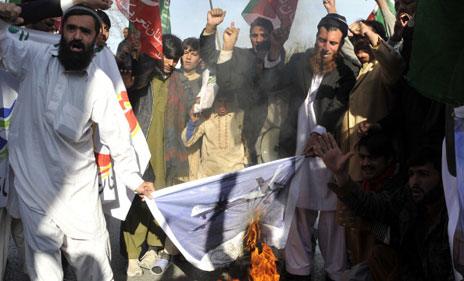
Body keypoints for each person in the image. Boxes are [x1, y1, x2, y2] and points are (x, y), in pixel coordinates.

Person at [0, 5, 153, 281]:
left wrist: (133, 179)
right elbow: (3, 44)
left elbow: (117, 137)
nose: (77, 36)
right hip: (35, 192)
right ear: (62, 32)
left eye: (85, 31)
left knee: (95, 269)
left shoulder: (100, 83)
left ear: (95, 40)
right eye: (71, 29)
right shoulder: (35, 58)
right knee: (44, 273)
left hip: (78, 194)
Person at [265, 12, 358, 280]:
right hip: (297, 149)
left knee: (331, 217)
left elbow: (339, 104)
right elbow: (275, 80)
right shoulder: (299, 61)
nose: (325, 48)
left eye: (332, 43)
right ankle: (297, 270)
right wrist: (273, 50)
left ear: (340, 45)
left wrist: (319, 132)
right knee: (298, 211)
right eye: (322, 40)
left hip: (328, 154)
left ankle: (335, 271)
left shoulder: (347, 71)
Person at [315, 134, 455, 281]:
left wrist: (370, 226)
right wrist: (341, 175)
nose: (415, 182)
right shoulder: (408, 195)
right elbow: (374, 206)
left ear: (442, 178)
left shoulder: (454, 214)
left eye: (423, 174)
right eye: (412, 174)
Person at [122, 34, 194, 277]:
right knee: (136, 201)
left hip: (168, 152)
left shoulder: (180, 81)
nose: (170, 63)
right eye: (166, 56)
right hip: (141, 150)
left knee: (159, 201)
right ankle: (132, 255)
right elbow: (127, 78)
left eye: (174, 58)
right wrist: (130, 51)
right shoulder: (144, 75)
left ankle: (153, 247)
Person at [199, 8, 288, 164]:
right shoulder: (240, 56)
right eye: (254, 35)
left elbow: (275, 77)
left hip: (273, 135)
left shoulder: (278, 54)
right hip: (242, 134)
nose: (259, 40)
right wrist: (211, 27)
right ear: (249, 37)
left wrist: (275, 48)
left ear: (271, 36)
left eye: (263, 35)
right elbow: (210, 56)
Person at [337, 130, 399, 267]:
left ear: (388, 159)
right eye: (362, 157)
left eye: (372, 158)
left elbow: (398, 238)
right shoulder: (365, 185)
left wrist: (368, 226)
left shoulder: (398, 189)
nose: (365, 163)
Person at [182, 93, 248, 179]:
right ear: (213, 102)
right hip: (209, 176)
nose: (223, 105)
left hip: (236, 174)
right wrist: (192, 121)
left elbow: (249, 142)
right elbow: (187, 141)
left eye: (226, 101)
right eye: (219, 101)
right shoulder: (206, 117)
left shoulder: (240, 115)